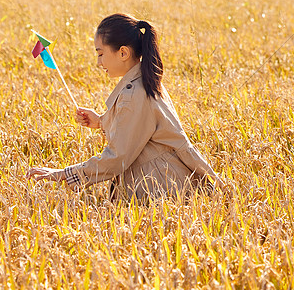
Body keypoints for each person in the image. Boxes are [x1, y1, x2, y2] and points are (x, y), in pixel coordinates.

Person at [29, 13, 220, 201]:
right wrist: (101, 121)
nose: (98, 62)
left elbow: (117, 158)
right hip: (169, 180)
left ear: (123, 53)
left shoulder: (134, 93)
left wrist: (64, 173)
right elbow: (138, 130)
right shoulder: (146, 82)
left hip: (162, 189)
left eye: (101, 54)